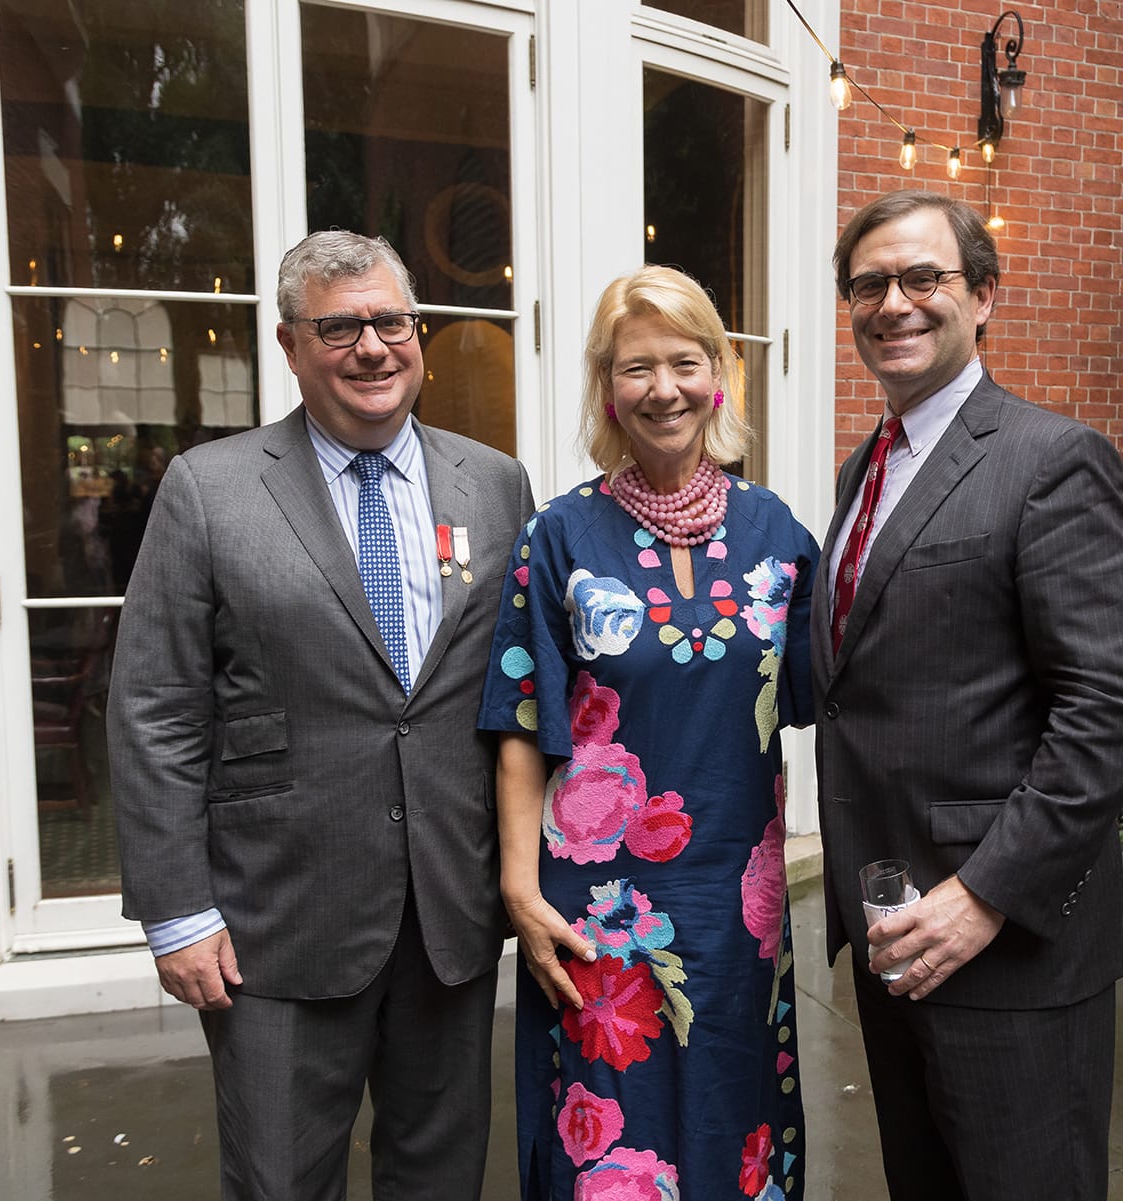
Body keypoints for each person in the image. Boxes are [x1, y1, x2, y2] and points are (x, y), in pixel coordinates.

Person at [107, 230, 535, 1201]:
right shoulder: (210, 489)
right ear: (290, 345)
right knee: (280, 1181)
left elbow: (518, 688)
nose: (372, 347)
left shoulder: (494, 483)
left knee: (440, 1178)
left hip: (448, 916)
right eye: (340, 328)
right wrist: (176, 912)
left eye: (392, 322)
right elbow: (156, 708)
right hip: (276, 924)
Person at [811, 190, 1123, 1201]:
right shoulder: (864, 470)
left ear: (985, 297)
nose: (894, 303)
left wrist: (984, 895)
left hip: (1007, 948)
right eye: (869, 284)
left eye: (924, 277)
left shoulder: (1050, 459)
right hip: (895, 932)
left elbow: (1109, 709)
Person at [479, 265, 816, 1200]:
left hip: (739, 906)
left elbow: (844, 689)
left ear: (718, 377)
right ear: (607, 388)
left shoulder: (777, 533)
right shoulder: (558, 536)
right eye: (636, 367)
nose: (663, 388)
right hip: (596, 908)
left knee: (733, 1118)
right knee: (613, 1135)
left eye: (684, 362)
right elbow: (522, 720)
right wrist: (518, 888)